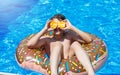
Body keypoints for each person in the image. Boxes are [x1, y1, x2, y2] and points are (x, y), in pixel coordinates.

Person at [27, 14, 95, 75]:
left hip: (70, 62)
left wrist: (71, 27)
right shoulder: (48, 40)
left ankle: (91, 73)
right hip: (55, 65)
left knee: (75, 44)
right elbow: (30, 44)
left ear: (64, 25)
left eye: (60, 24)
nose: (57, 27)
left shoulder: (69, 35)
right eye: (54, 24)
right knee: (57, 45)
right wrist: (45, 29)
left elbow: (89, 40)